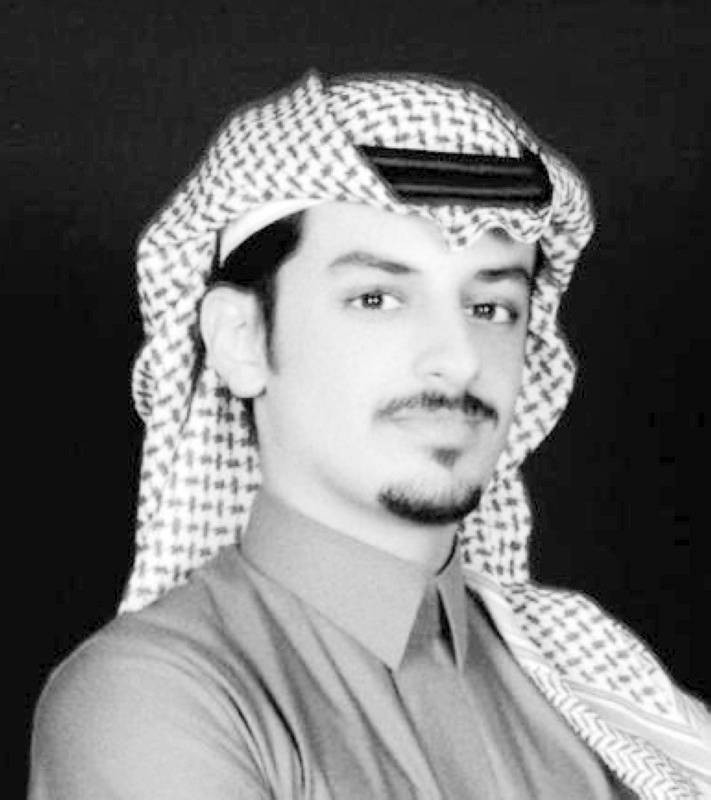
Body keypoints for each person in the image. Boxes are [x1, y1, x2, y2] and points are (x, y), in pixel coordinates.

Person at [29, 70, 710, 799]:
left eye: (490, 307)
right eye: (378, 298)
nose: (457, 358)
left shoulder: (593, 682)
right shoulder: (152, 700)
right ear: (240, 340)